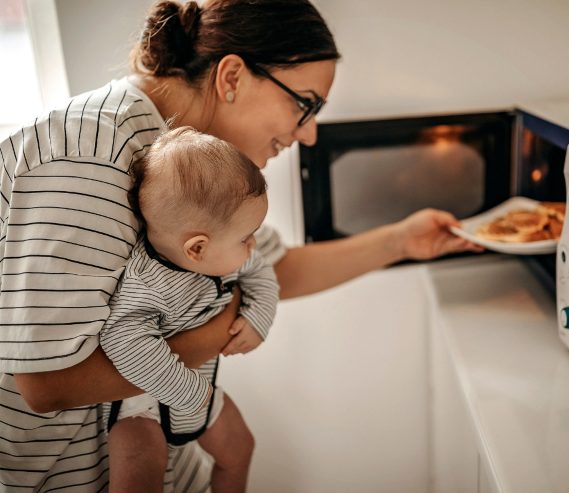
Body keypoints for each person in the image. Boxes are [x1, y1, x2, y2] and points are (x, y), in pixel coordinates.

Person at [0, 0, 479, 491]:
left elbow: (273, 265)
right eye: (305, 103)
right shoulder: (89, 155)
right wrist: (219, 327)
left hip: (170, 463)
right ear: (231, 76)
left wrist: (401, 240)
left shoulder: (186, 151)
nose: (309, 133)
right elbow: (48, 383)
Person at [100, 126, 277, 492]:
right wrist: (190, 394)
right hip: (141, 407)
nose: (253, 245)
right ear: (196, 248)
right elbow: (123, 340)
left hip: (201, 392)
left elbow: (261, 271)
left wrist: (259, 318)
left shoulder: (225, 258)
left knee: (240, 449)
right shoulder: (147, 283)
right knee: (141, 473)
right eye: (245, 237)